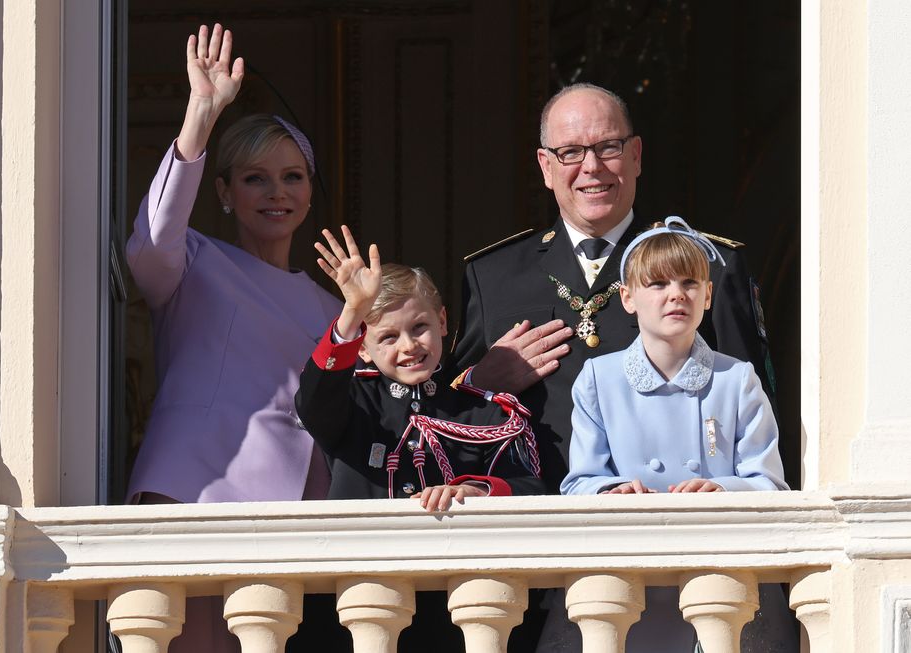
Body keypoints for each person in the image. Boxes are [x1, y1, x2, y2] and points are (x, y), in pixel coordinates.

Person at [123, 24, 342, 651]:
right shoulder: (190, 261)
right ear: (222, 192)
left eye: (293, 177)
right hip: (200, 489)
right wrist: (202, 111)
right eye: (255, 178)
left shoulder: (333, 304)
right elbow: (153, 236)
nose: (277, 192)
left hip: (297, 507)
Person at [453, 83, 775, 495]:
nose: (591, 167)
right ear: (545, 167)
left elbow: (755, 415)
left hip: (669, 518)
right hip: (530, 517)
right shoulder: (492, 275)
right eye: (570, 152)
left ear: (636, 155)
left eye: (608, 147)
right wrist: (481, 381)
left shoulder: (708, 264)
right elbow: (435, 414)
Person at [537, 217, 792, 653]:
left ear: (708, 294)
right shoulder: (599, 378)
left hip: (718, 579)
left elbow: (770, 483)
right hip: (628, 583)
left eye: (690, 282)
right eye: (657, 283)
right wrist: (611, 490)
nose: (677, 294)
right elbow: (579, 481)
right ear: (628, 297)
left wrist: (720, 487)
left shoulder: (737, 380)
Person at [295, 226, 544, 652]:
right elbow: (314, 399)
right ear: (365, 349)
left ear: (443, 321)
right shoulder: (354, 404)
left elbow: (530, 487)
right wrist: (351, 314)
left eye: (420, 327)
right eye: (388, 337)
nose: (409, 345)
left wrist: (474, 489)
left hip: (452, 613)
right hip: (360, 604)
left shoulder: (483, 409)